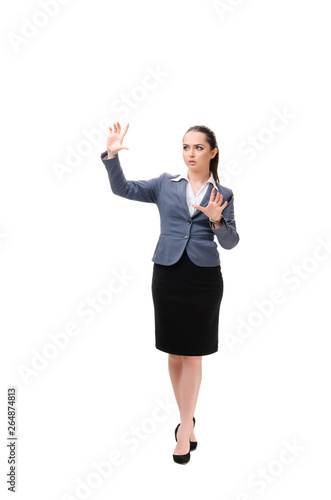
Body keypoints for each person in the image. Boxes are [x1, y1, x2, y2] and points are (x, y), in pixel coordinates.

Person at [100, 122, 239, 465]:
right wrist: (112, 156)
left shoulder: (224, 194)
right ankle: (188, 421)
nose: (190, 153)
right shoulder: (165, 184)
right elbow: (124, 189)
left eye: (198, 148)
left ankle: (183, 429)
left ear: (213, 152)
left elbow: (232, 242)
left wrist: (218, 221)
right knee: (175, 353)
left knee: (194, 354)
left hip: (204, 279)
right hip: (168, 274)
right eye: (186, 147)